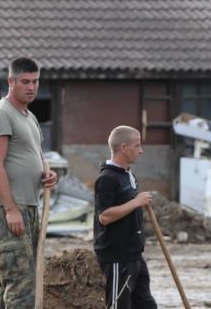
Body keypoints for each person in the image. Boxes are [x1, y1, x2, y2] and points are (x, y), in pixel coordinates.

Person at [0, 57, 58, 309]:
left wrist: (47, 173)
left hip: (30, 207)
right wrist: (11, 209)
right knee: (20, 284)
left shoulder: (29, 117)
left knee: (21, 283)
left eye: (35, 81)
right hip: (9, 211)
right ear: (10, 82)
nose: (31, 87)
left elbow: (37, 155)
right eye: (25, 82)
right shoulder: (1, 114)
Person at [93, 126, 157, 309]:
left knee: (146, 304)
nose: (141, 150)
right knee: (118, 305)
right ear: (123, 148)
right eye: (137, 146)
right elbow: (104, 216)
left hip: (134, 254)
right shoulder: (107, 179)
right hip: (116, 257)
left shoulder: (129, 175)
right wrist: (136, 203)